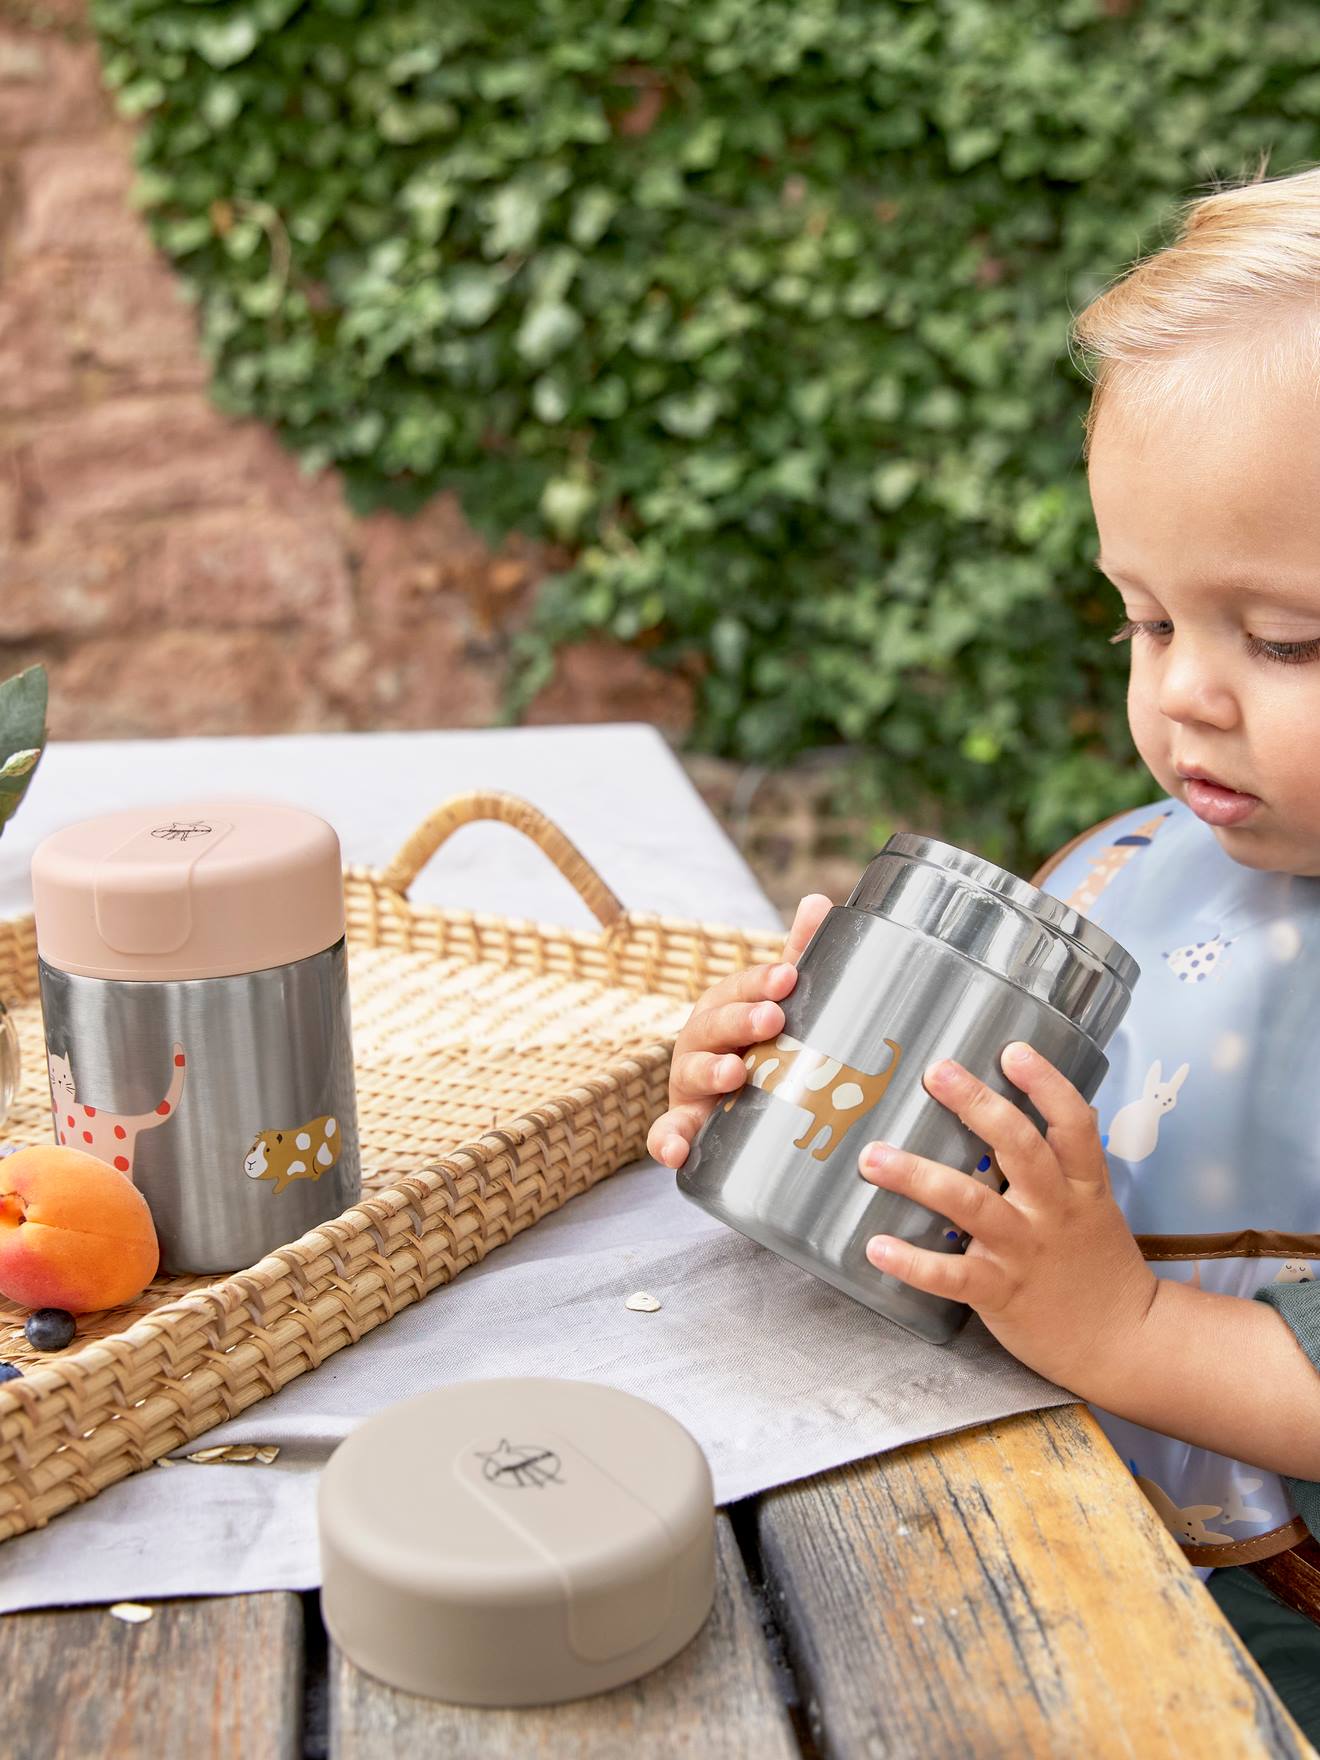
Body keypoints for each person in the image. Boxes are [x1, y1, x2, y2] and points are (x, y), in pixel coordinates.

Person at [647, 164, 1320, 1736]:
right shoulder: (1139, 874)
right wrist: (807, 1116)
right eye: (1146, 621)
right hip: (1042, 1550)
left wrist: (1126, 1331)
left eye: (1286, 638)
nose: (1184, 694)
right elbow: (996, 1196)